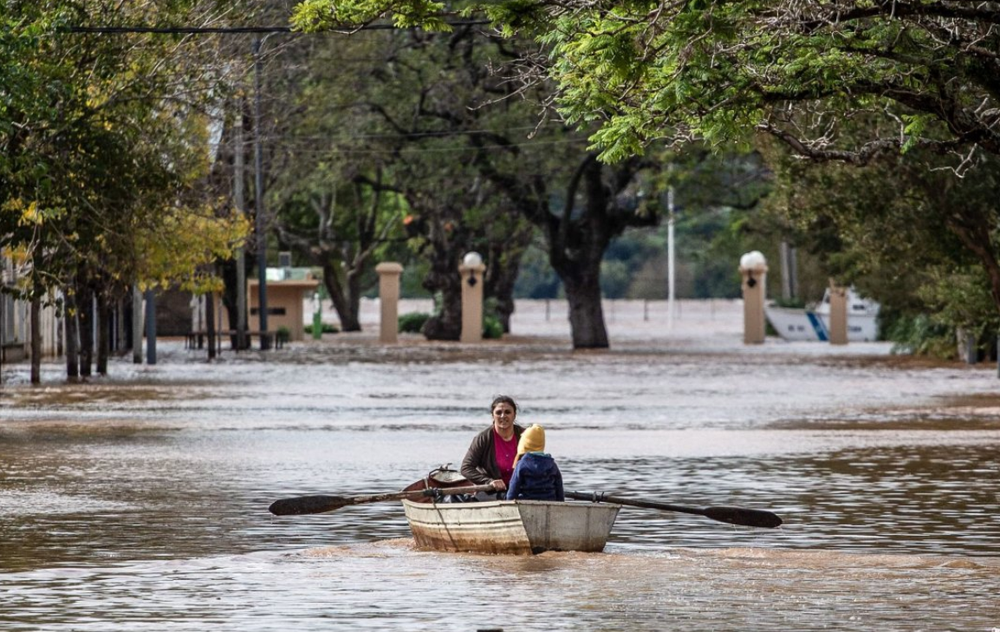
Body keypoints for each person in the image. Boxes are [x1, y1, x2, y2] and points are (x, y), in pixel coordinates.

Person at [461, 395, 525, 494]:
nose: (503, 416)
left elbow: (536, 463)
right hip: (492, 492)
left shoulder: (525, 436)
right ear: (493, 416)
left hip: (521, 490)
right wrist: (489, 481)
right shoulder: (483, 438)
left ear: (514, 415)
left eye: (507, 412)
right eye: (498, 412)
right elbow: (466, 468)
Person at [505, 424, 564, 501]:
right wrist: (560, 503)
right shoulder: (552, 465)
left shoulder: (521, 464)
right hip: (549, 500)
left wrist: (509, 500)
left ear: (524, 444)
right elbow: (559, 489)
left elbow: (513, 488)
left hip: (526, 501)